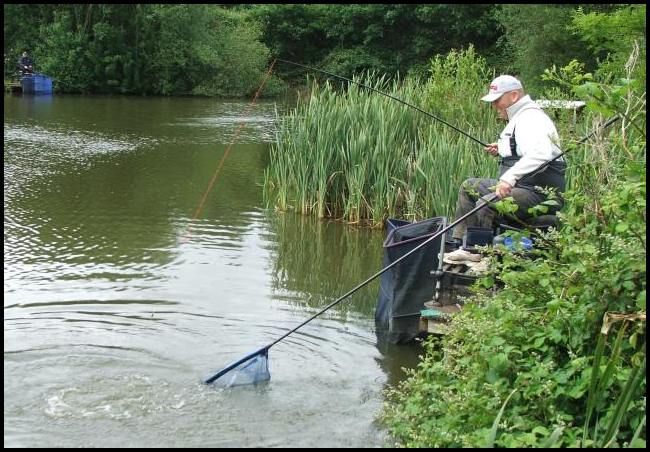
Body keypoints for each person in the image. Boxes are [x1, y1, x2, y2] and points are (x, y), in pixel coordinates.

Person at [451, 74, 566, 246]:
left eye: (497, 100)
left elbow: (541, 153)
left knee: (487, 204)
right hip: (524, 187)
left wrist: (508, 178)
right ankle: (458, 244)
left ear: (513, 96)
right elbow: (525, 148)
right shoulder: (520, 116)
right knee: (469, 187)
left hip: (537, 192)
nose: (494, 105)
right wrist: (502, 148)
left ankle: (478, 251)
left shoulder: (531, 117)